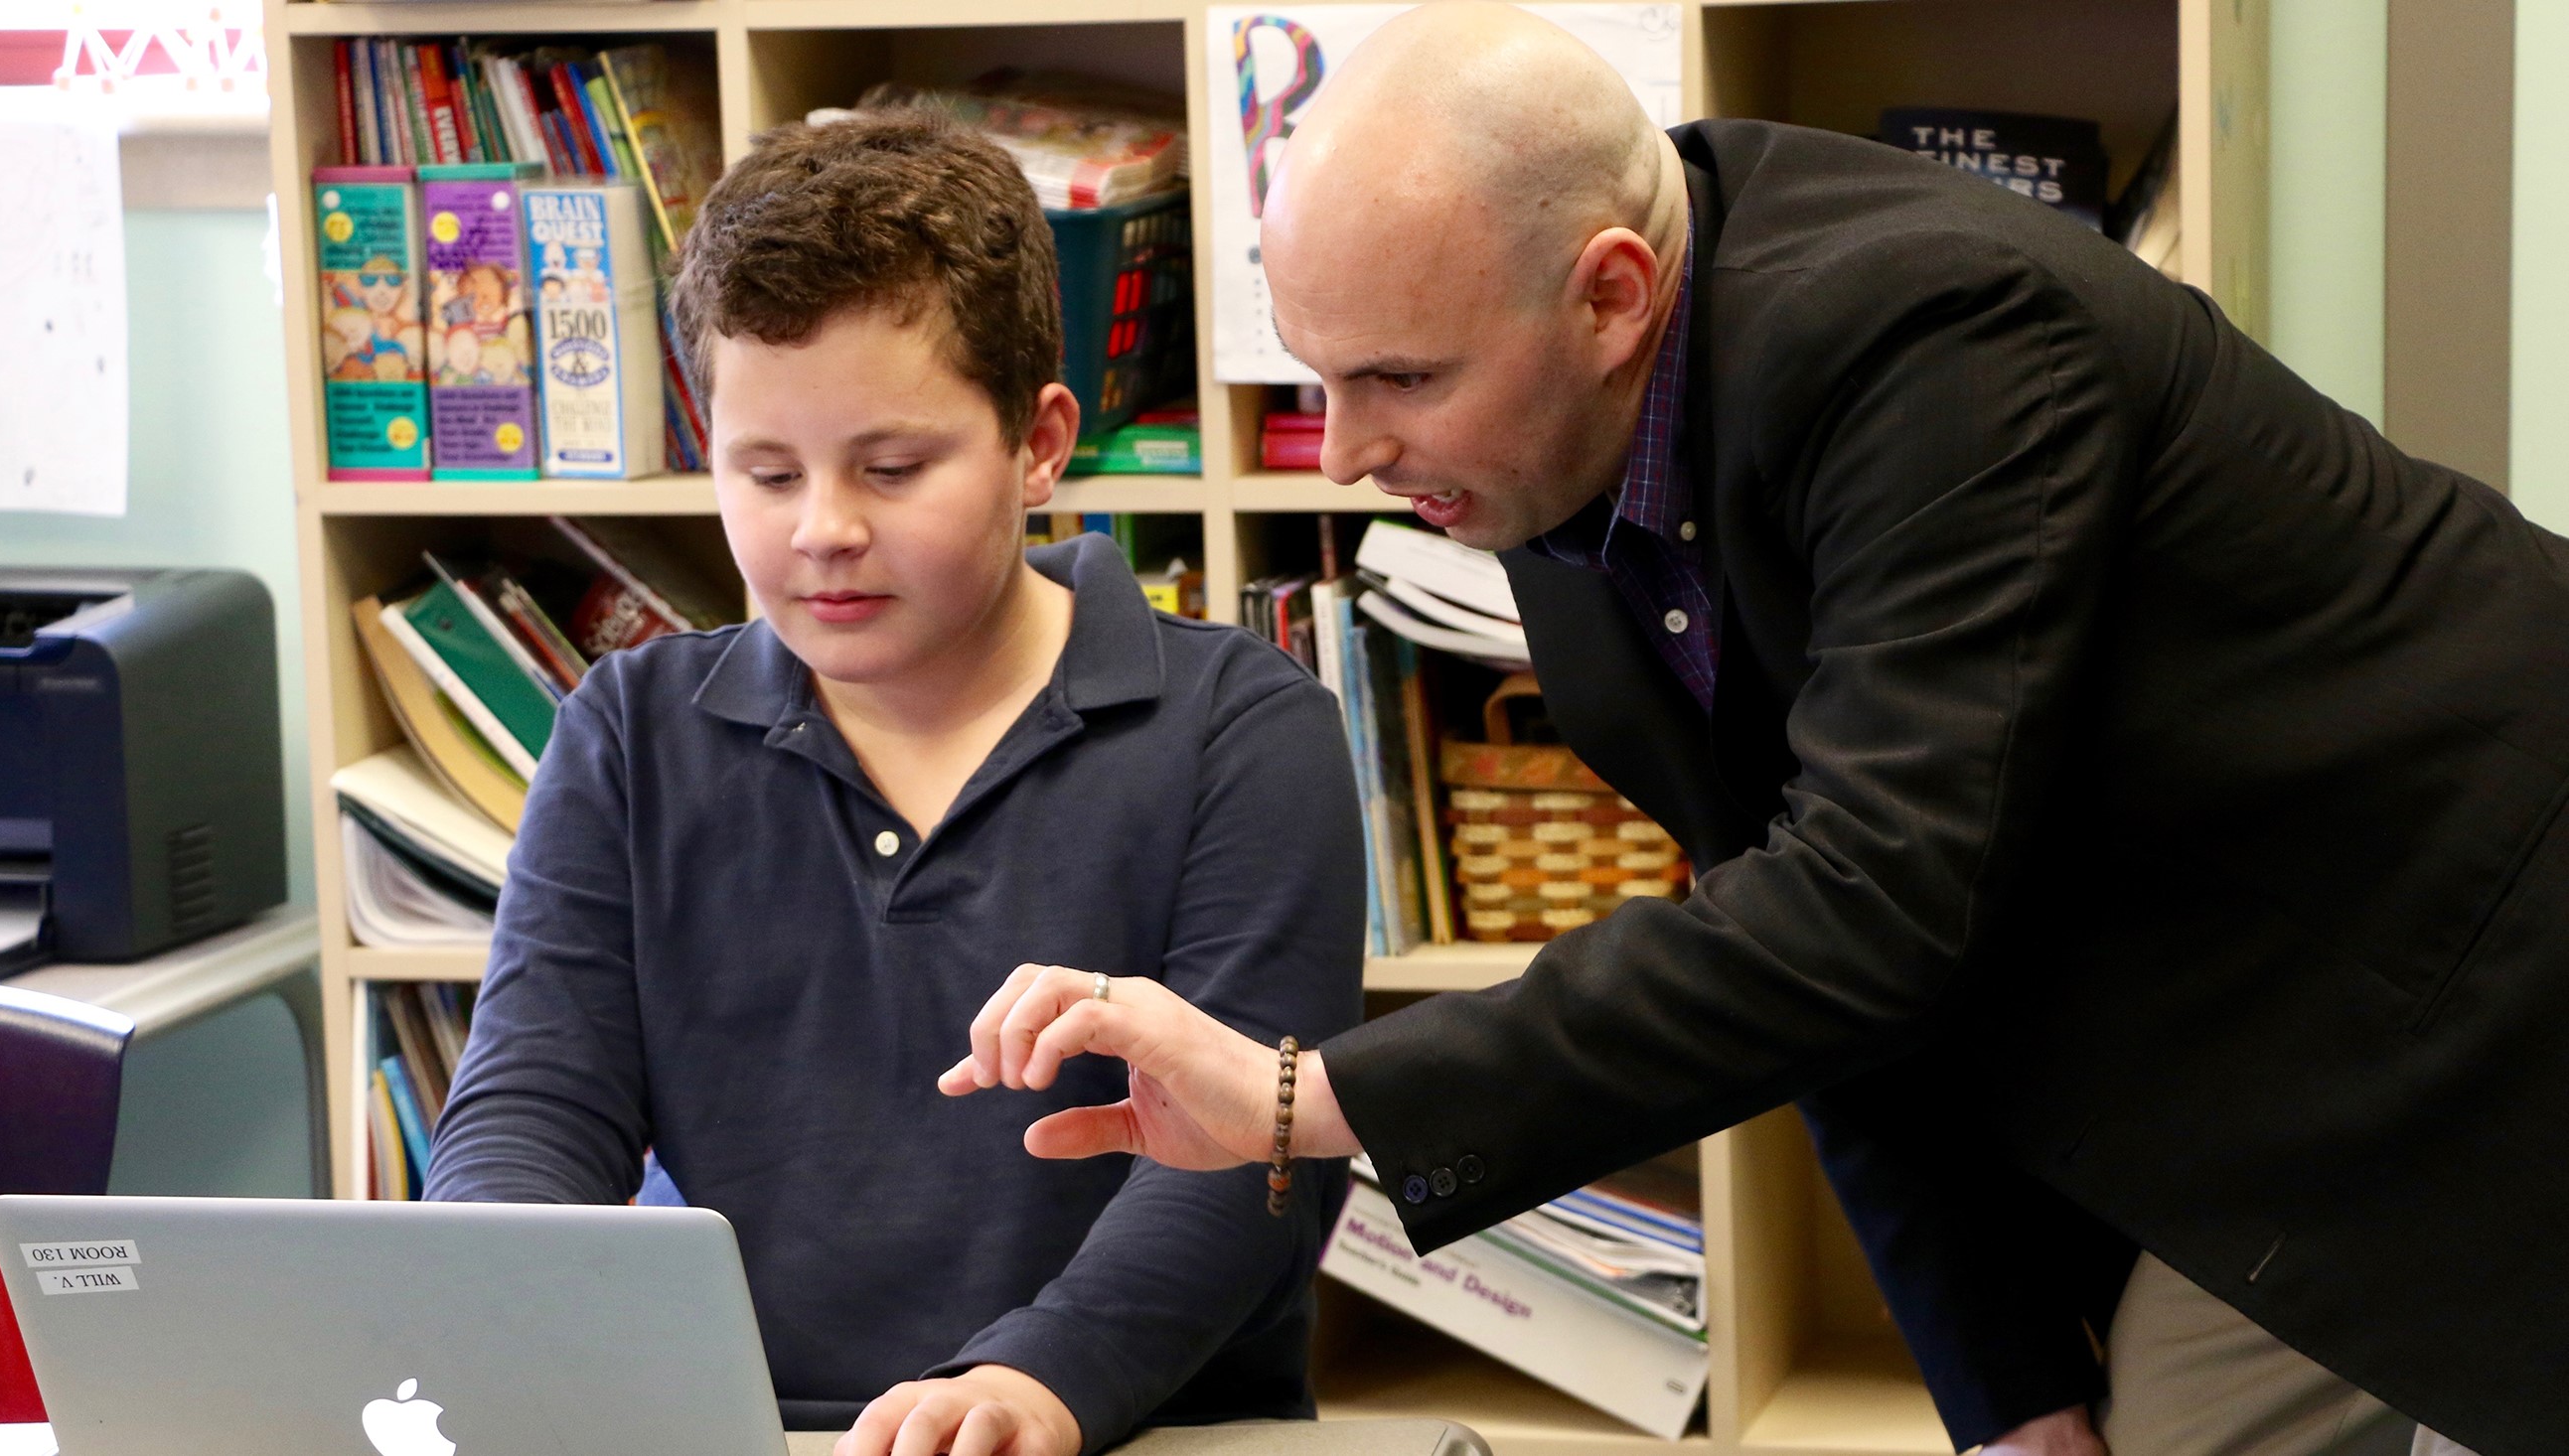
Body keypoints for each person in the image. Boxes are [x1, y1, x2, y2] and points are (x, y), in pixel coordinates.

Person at [945, 7, 2567, 1456]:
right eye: (1323, 378)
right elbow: (1804, 959)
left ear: (1610, 293)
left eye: (1398, 379)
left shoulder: (1935, 334)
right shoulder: (1555, 441)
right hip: (2254, 1037)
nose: (1345, 452)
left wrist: (1306, 1097)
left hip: (2494, 949)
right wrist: (2007, 1392)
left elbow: (1868, 906)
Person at [424, 112, 1366, 1456]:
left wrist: (1037, 1379)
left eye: (892, 467)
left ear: (1040, 443)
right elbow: (534, 1102)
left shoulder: (1240, 730)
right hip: (745, 1429)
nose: (821, 529)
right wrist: (500, 1304)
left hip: (1126, 1421)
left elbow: (1247, 1156)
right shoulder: (631, 730)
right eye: (764, 472)